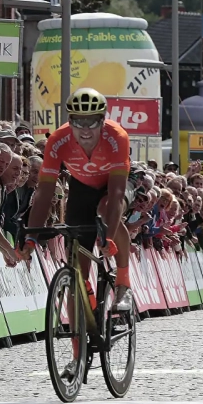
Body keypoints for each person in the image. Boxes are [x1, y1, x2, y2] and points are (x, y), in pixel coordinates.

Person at [18, 87, 136, 315]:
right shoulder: (58, 140)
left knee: (106, 209)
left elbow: (116, 195)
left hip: (116, 185)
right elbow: (44, 193)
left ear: (103, 120)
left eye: (91, 121)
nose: (85, 129)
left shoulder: (117, 137)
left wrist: (109, 237)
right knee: (77, 270)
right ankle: (80, 338)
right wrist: (31, 237)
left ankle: (123, 284)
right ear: (69, 120)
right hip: (82, 187)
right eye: (78, 121)